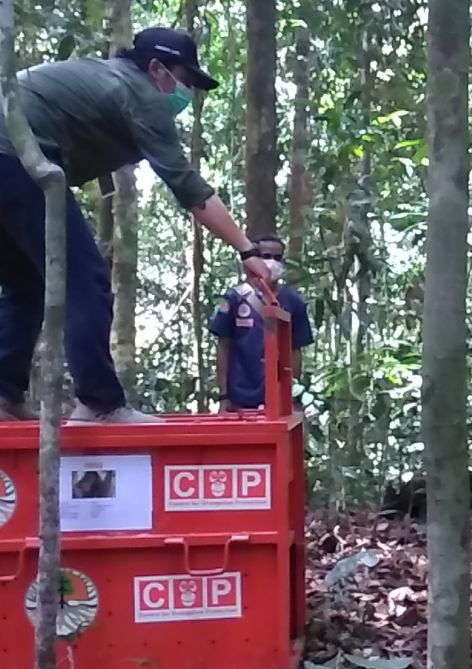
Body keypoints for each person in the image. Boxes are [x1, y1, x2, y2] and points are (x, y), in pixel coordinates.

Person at [0, 28, 272, 424]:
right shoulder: (139, 91)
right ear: (157, 67)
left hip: (12, 158)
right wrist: (247, 249)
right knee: (85, 279)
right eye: (185, 79)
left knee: (27, 283)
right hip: (14, 157)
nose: (187, 92)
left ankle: (4, 395)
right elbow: (190, 189)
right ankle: (100, 402)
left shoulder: (103, 77)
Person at [209, 234, 314, 412]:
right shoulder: (231, 298)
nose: (271, 262)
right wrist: (224, 396)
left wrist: (292, 396)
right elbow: (223, 346)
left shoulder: (294, 301)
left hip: (278, 401)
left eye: (277, 258)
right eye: (265, 256)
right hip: (239, 399)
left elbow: (295, 351)